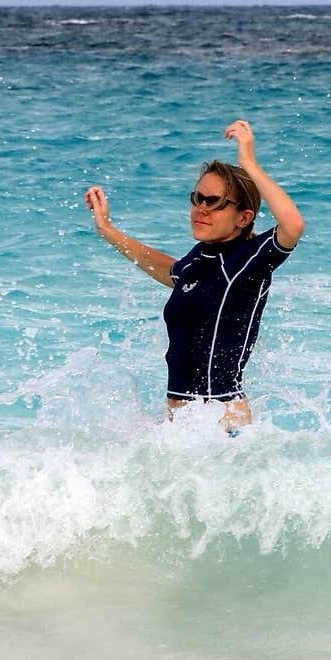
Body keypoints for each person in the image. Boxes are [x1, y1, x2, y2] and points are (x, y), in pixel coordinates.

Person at [85, 120, 305, 432]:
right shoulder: (201, 259)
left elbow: (293, 226)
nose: (201, 208)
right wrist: (108, 232)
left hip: (221, 422)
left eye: (214, 202)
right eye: (197, 198)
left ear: (244, 218)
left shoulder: (247, 262)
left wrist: (249, 163)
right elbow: (172, 271)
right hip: (190, 426)